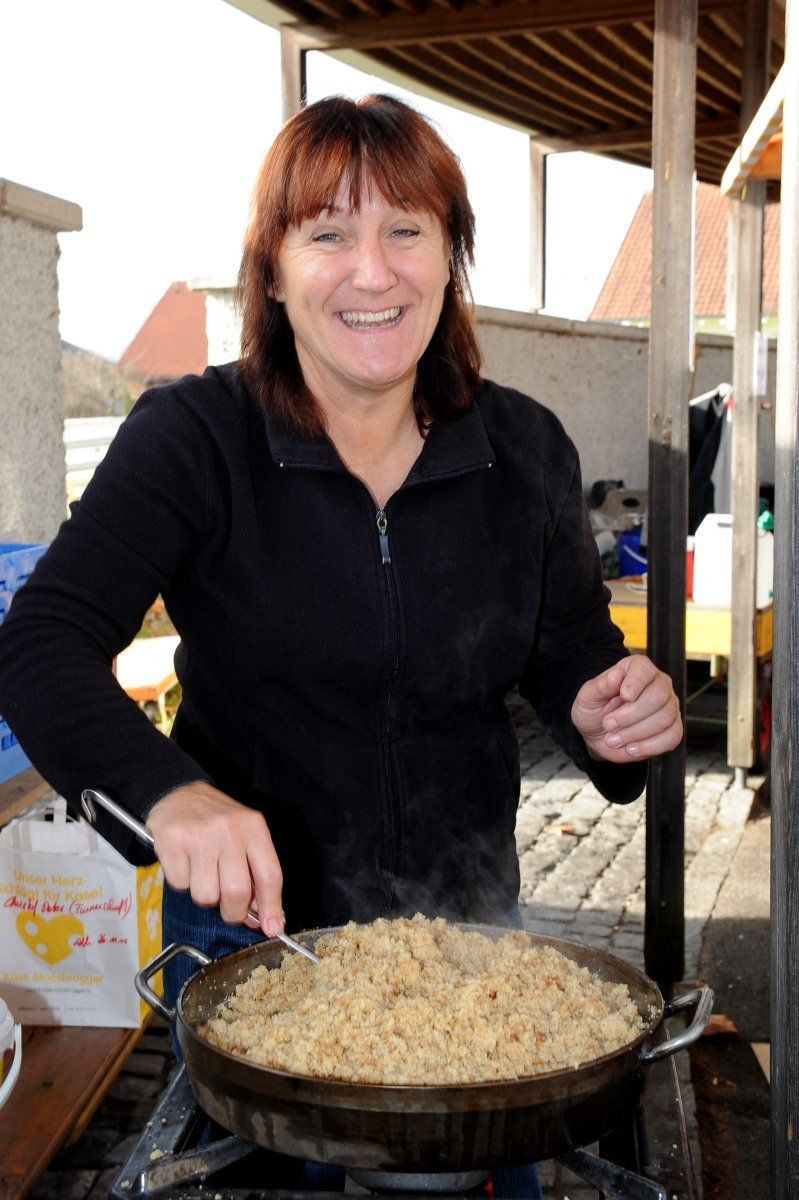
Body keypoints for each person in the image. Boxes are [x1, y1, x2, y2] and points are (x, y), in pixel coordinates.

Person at [0, 94, 681, 1196]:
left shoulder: (523, 447)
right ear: (272, 272)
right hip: (255, 946)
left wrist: (609, 711)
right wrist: (170, 796)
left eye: (406, 229)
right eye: (327, 233)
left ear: (449, 257)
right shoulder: (193, 438)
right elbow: (40, 643)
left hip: (469, 951)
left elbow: (568, 647)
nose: (373, 272)